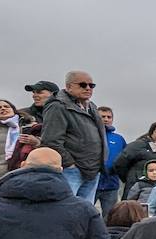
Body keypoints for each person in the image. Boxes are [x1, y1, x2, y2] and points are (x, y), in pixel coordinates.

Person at [38, 70, 109, 203]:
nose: (88, 88)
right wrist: (70, 164)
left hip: (93, 170)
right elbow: (50, 141)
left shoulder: (91, 106)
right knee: (65, 210)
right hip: (72, 171)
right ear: (69, 86)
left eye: (91, 85)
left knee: (85, 213)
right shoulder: (58, 106)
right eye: (82, 85)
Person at [114, 121, 156, 190]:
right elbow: (120, 163)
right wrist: (129, 178)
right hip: (138, 189)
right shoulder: (138, 146)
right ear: (151, 134)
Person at [95, 106, 127, 215]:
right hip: (92, 182)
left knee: (110, 216)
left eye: (109, 117)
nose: (106, 119)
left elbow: (125, 159)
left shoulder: (119, 139)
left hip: (111, 185)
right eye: (102, 116)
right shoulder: (90, 135)